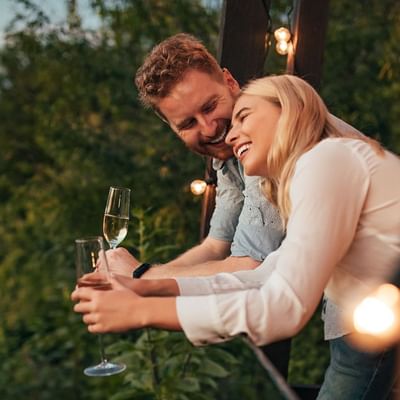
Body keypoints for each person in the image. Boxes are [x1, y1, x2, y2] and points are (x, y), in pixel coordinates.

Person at [72, 74, 400, 399]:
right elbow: (263, 276)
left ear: (290, 107)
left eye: (243, 116)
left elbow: (282, 307)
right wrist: (148, 287)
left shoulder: (325, 160)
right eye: (187, 122)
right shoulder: (311, 170)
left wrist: (140, 310)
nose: (228, 134)